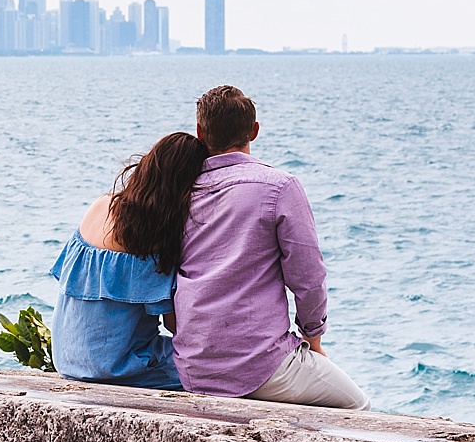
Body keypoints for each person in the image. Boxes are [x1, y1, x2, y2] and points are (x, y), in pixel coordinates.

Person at [173, 85, 370, 410]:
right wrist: (313, 338)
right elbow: (308, 277)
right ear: (254, 130)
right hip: (259, 364)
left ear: (200, 133)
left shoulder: (182, 192)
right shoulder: (279, 187)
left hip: (194, 367)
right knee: (358, 408)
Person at [50, 131, 209, 389]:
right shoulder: (154, 237)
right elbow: (176, 325)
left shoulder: (101, 205)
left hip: (67, 359)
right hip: (117, 366)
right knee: (217, 372)